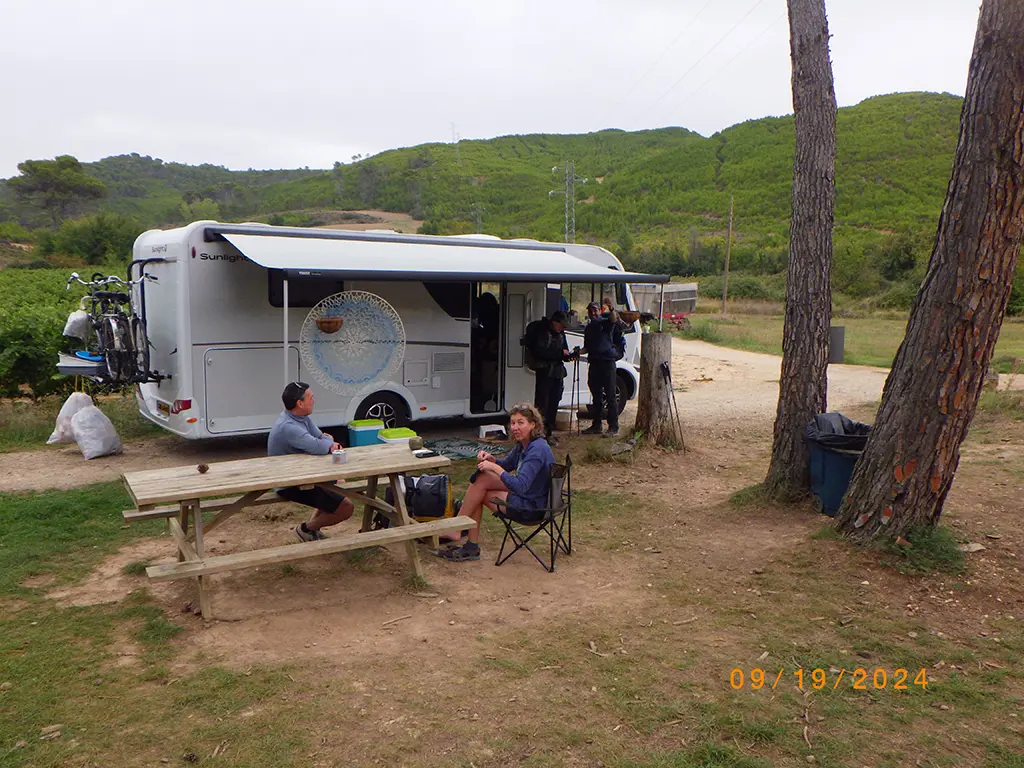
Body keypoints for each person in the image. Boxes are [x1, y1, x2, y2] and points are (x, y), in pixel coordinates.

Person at [437, 403, 555, 562]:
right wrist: (492, 460)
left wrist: (494, 468)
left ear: (533, 425)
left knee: (480, 487)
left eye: (521, 422)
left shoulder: (537, 450)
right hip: (530, 497)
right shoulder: (524, 445)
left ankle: (462, 535)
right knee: (481, 482)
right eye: (513, 423)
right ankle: (465, 539)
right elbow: (507, 464)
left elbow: (520, 485)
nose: (515, 427)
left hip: (531, 507)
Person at [267, 381, 355, 542]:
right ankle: (306, 529)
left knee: (334, 485)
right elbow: (317, 445)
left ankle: (311, 529)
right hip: (289, 483)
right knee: (346, 508)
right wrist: (329, 444)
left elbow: (322, 437)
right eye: (311, 397)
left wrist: (327, 443)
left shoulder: (301, 417)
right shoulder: (288, 426)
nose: (314, 400)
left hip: (305, 476)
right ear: (300, 403)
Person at [529, 310, 571, 442]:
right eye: (562, 325)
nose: (563, 328)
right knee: (542, 404)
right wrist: (559, 353)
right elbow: (539, 352)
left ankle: (549, 432)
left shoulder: (561, 334)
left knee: (554, 402)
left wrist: (568, 355)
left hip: (557, 373)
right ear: (554, 323)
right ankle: (539, 433)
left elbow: (564, 351)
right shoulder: (543, 332)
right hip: (545, 372)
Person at [580, 301, 620, 437]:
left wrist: (612, 308)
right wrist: (576, 352)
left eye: (595, 310)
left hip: (607, 363)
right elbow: (587, 347)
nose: (592, 313)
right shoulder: (589, 328)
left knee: (610, 395)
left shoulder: (606, 323)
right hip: (594, 363)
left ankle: (613, 427)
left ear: (600, 311)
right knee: (596, 395)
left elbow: (614, 319)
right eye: (590, 310)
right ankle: (597, 425)